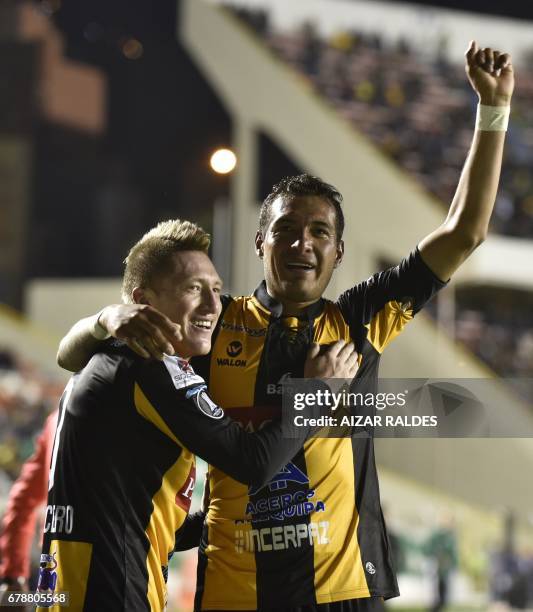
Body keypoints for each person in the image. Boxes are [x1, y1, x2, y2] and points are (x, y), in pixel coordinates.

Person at [56, 42, 514, 611]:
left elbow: (464, 232)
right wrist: (103, 318)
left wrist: (493, 111)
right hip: (234, 594)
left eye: (320, 232)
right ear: (260, 241)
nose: (303, 243)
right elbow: (76, 359)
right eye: (287, 229)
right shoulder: (212, 325)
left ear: (339, 251)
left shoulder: (358, 320)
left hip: (339, 591)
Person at [37, 219, 357, 612]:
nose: (212, 306)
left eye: (217, 290)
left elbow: (143, 520)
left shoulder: (102, 361)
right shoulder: (152, 367)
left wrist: (224, 520)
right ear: (143, 301)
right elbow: (253, 462)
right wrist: (317, 394)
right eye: (193, 289)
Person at [0, 411, 58, 612]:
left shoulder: (57, 419)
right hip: (120, 576)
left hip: (53, 575)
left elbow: (22, 500)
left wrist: (14, 576)